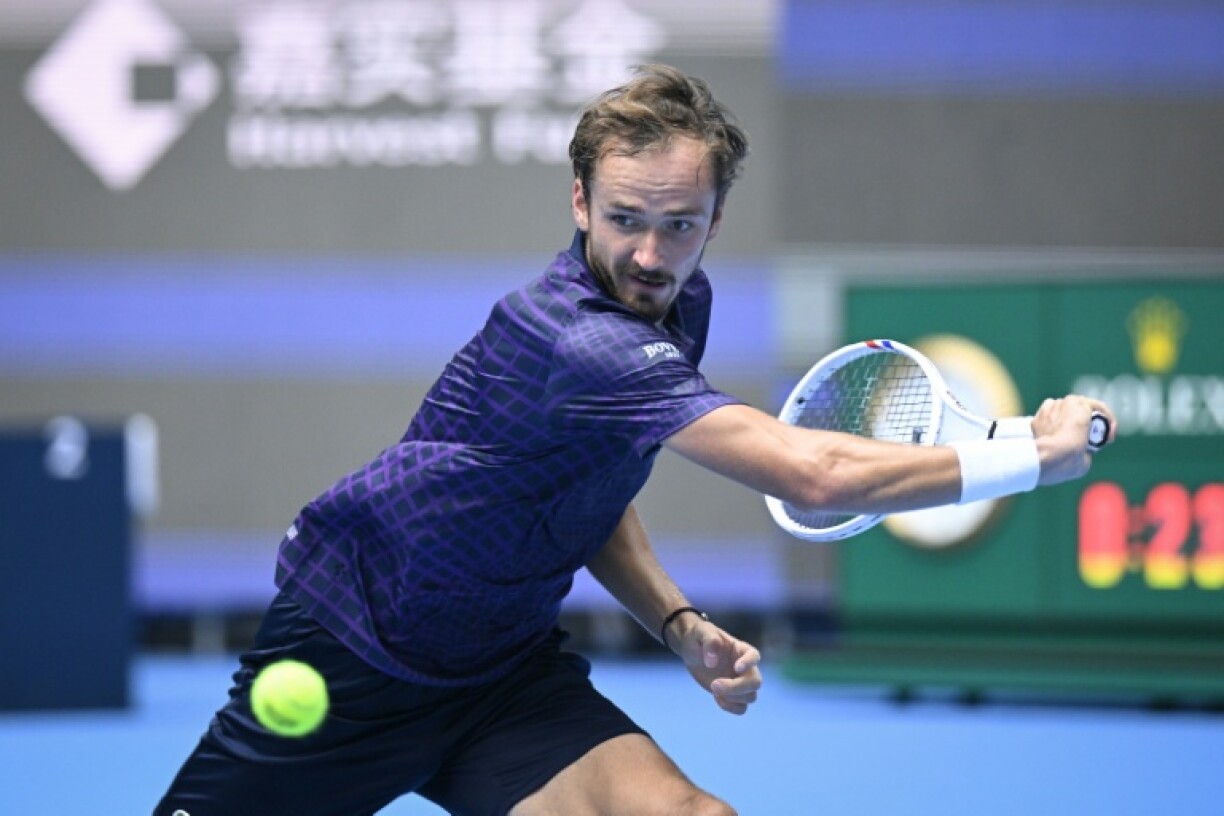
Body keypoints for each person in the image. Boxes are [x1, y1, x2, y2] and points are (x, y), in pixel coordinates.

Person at [156, 64, 1115, 816]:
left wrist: (677, 624)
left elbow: (589, 491)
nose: (651, 256)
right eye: (623, 221)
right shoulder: (577, 338)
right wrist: (1036, 457)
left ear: (714, 219)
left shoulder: (675, 301)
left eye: (680, 225)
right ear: (579, 203)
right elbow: (816, 475)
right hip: (349, 660)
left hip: (498, 674)